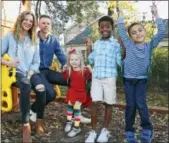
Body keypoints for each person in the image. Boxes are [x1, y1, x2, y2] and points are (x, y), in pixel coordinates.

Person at [29, 14, 91, 124]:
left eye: (48, 23)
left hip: (47, 71)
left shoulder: (53, 40)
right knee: (51, 94)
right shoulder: (32, 38)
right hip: (36, 72)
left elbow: (61, 54)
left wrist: (66, 65)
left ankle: (76, 115)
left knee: (74, 80)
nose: (46, 25)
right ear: (38, 24)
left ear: (50, 26)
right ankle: (33, 109)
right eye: (43, 23)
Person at [117, 4, 165, 143]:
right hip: (128, 80)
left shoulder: (149, 45)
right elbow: (121, 30)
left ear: (145, 31)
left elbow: (161, 32)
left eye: (140, 30)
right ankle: (129, 132)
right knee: (130, 105)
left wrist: (156, 14)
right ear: (130, 36)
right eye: (134, 32)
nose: (138, 33)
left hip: (141, 80)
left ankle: (147, 130)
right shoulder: (128, 44)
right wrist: (120, 15)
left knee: (141, 104)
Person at [1, 11, 46, 142]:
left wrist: (32, 71)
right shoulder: (10, 37)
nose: (28, 23)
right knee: (26, 86)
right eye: (25, 20)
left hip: (31, 72)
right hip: (16, 72)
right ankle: (26, 125)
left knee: (41, 89)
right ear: (20, 20)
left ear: (33, 24)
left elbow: (37, 61)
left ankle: (39, 120)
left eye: (30, 21)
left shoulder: (34, 39)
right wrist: (9, 62)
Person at [85, 16, 122, 143]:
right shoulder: (97, 43)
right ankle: (93, 131)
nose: (104, 29)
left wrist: (123, 49)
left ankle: (105, 130)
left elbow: (119, 62)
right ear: (99, 28)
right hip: (96, 77)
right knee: (94, 103)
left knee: (108, 103)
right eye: (102, 27)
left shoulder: (116, 44)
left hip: (110, 77)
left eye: (107, 26)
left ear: (112, 28)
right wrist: (89, 48)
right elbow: (91, 60)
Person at [61, 48, 92, 137]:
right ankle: (69, 122)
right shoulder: (70, 70)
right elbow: (64, 77)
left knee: (76, 110)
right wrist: (63, 70)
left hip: (80, 94)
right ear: (69, 61)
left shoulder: (84, 70)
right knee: (69, 108)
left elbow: (91, 77)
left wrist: (90, 70)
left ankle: (76, 128)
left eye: (76, 59)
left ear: (80, 60)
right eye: (72, 60)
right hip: (72, 92)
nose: (74, 62)